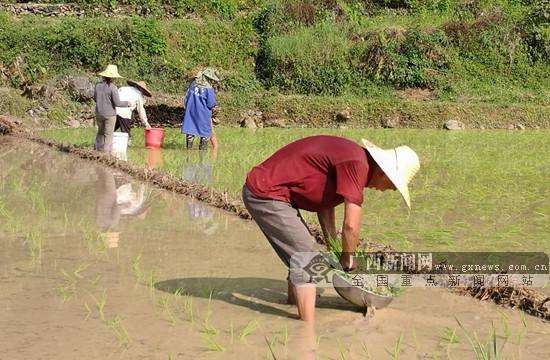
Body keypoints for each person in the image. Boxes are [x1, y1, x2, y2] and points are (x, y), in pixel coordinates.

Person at [242, 135, 420, 321]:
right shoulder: (357, 164)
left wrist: (332, 244)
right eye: (392, 186)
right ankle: (306, 331)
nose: (388, 190)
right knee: (306, 255)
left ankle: (294, 301)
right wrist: (348, 259)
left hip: (273, 192)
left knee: (299, 252)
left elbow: (324, 204)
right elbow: (351, 226)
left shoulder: (355, 160)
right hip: (265, 193)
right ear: (384, 173)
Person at [93, 65, 134, 152]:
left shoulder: (97, 85)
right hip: (110, 115)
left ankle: (97, 150)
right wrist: (128, 103)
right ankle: (106, 154)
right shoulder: (113, 87)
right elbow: (117, 103)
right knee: (108, 134)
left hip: (99, 113)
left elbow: (95, 98)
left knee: (100, 132)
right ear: (113, 77)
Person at [181, 68, 220, 150]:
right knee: (205, 134)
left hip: (191, 112)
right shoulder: (208, 89)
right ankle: (202, 154)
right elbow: (211, 103)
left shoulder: (192, 85)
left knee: (190, 132)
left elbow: (186, 99)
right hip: (203, 114)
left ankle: (188, 152)